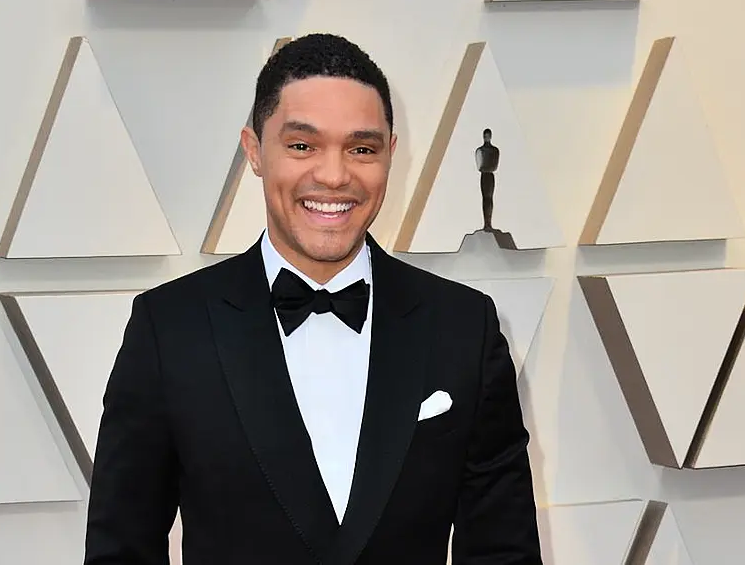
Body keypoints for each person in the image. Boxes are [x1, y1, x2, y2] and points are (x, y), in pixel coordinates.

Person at [83, 33, 542, 565]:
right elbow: (121, 550)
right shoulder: (169, 329)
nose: (333, 175)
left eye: (362, 148)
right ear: (255, 151)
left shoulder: (465, 326)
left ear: (391, 154)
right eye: (302, 145)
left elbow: (502, 551)